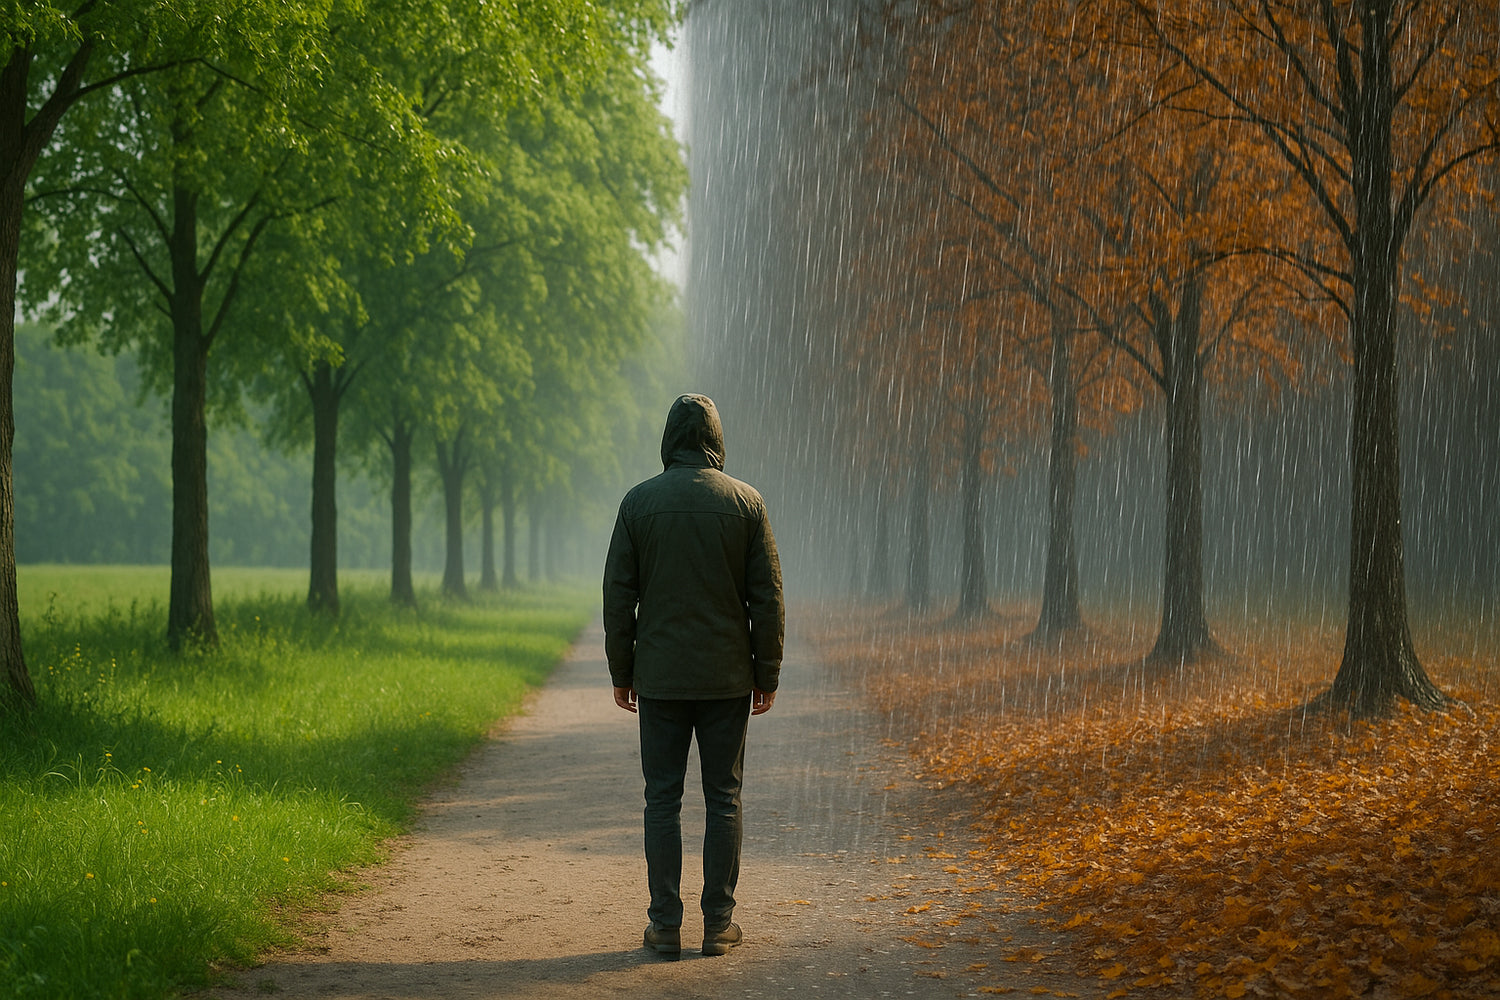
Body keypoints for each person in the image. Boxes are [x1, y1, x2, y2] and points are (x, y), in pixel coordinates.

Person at [603, 393, 785, 958]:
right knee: (723, 797)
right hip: (727, 679)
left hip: (659, 678)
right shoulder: (746, 504)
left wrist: (622, 670)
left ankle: (664, 925)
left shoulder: (638, 504)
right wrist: (767, 671)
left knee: (662, 798)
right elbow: (767, 597)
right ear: (716, 438)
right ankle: (717, 923)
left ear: (669, 438)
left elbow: (618, 595)